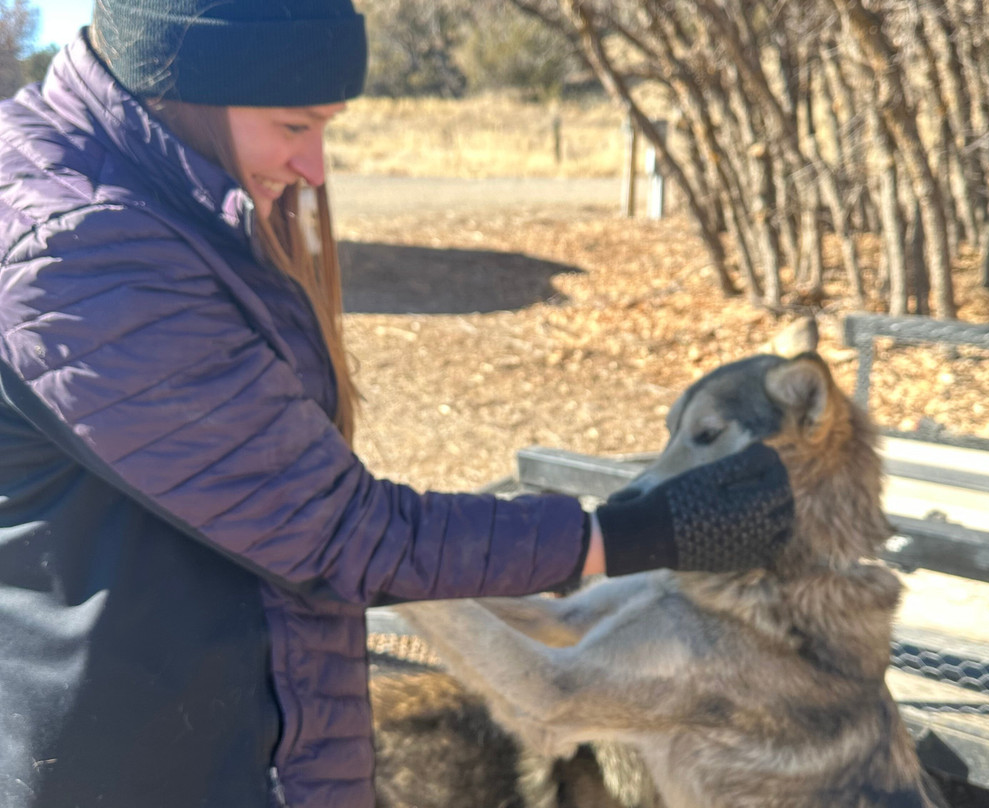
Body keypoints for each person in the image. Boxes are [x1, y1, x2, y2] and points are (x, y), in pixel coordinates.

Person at [0, 2, 795, 807]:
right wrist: (631, 534)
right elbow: (337, 531)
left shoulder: (139, 195)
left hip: (193, 720)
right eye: (293, 126)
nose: (313, 167)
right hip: (152, 760)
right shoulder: (85, 253)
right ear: (188, 88)